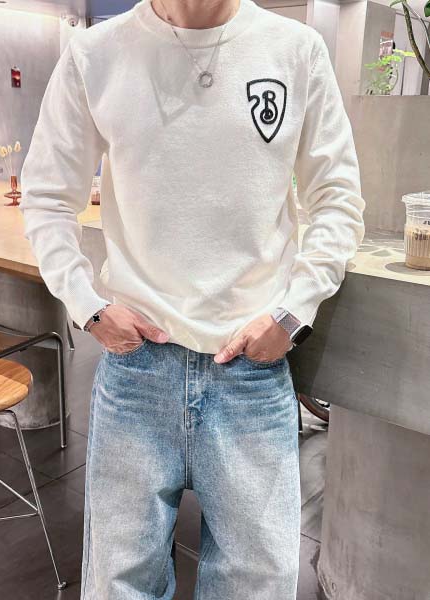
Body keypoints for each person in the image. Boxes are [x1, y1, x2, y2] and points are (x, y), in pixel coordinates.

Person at [19, 0, 365, 598]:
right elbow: (47, 196)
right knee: (117, 586)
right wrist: (88, 305)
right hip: (136, 373)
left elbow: (337, 198)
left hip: (250, 375)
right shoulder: (95, 54)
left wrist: (291, 314)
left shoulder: (295, 50)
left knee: (255, 587)